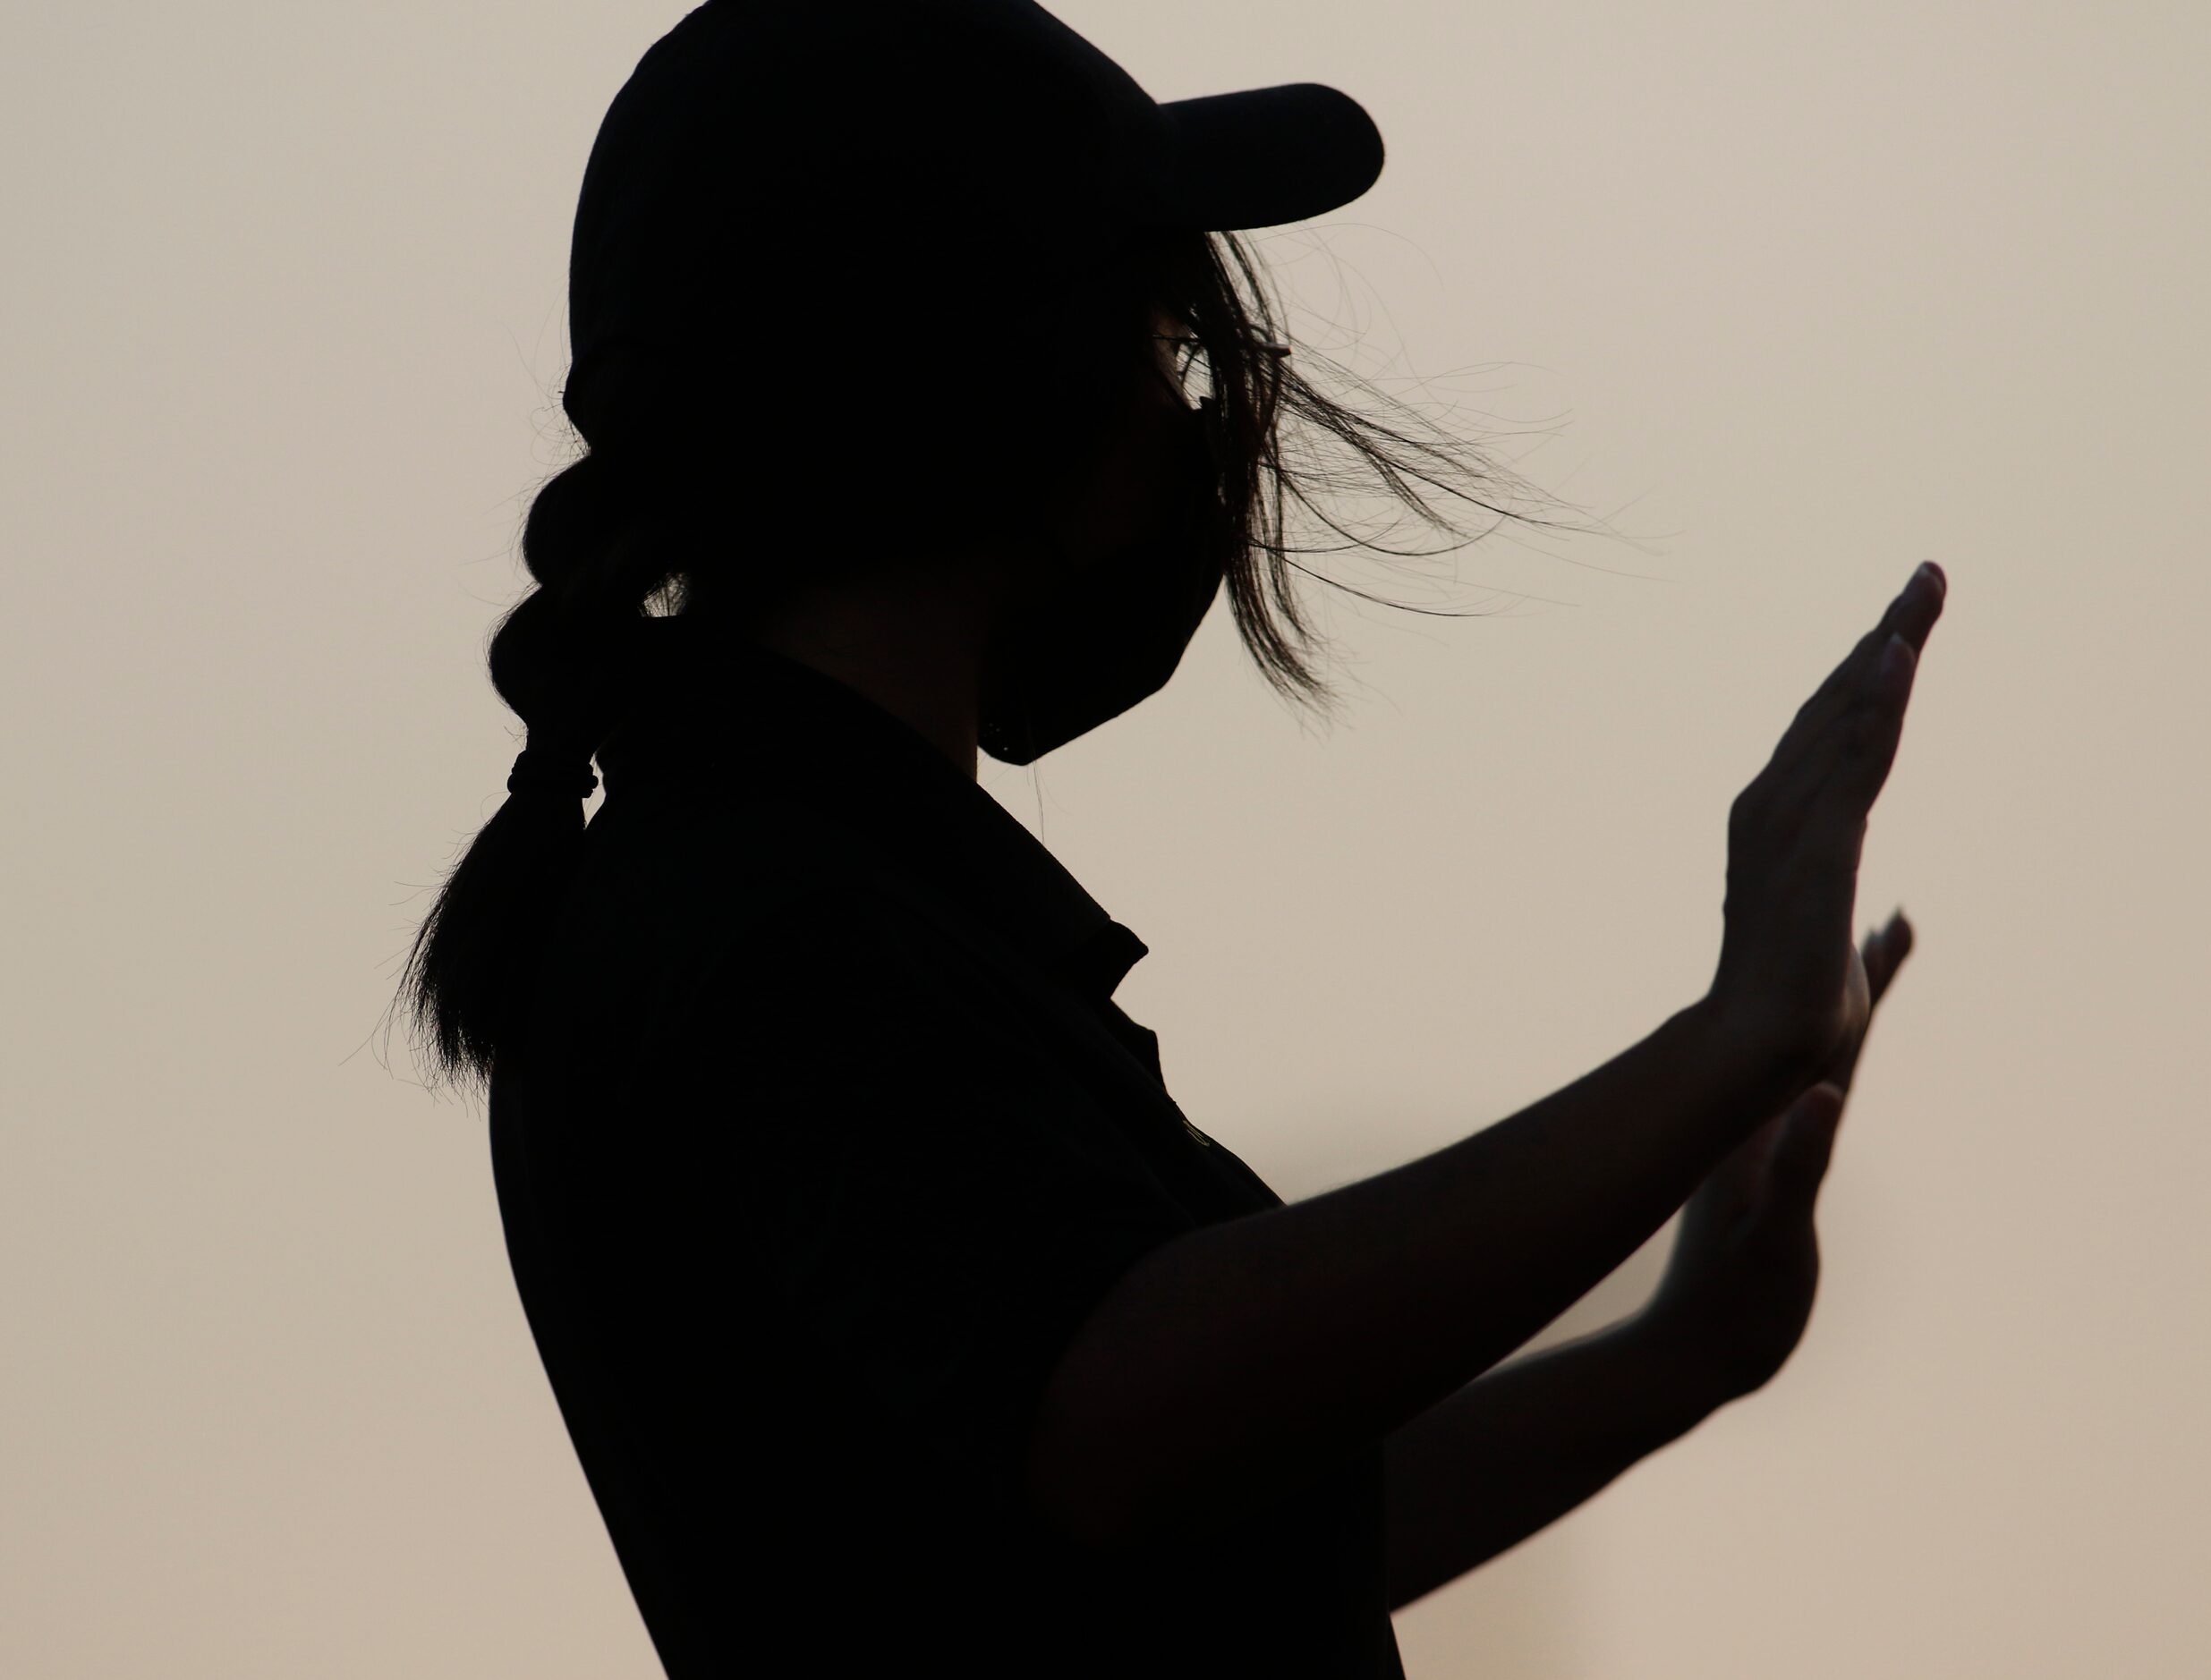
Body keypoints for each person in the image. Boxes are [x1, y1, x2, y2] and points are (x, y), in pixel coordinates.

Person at [390, 3, 1947, 1674]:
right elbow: (1114, 1413)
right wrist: (1726, 1046)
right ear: (974, 383)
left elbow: (1238, 1518)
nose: (1187, 420)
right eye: (1158, 340)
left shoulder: (802, 892)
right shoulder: (761, 920)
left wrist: (1675, 1354)